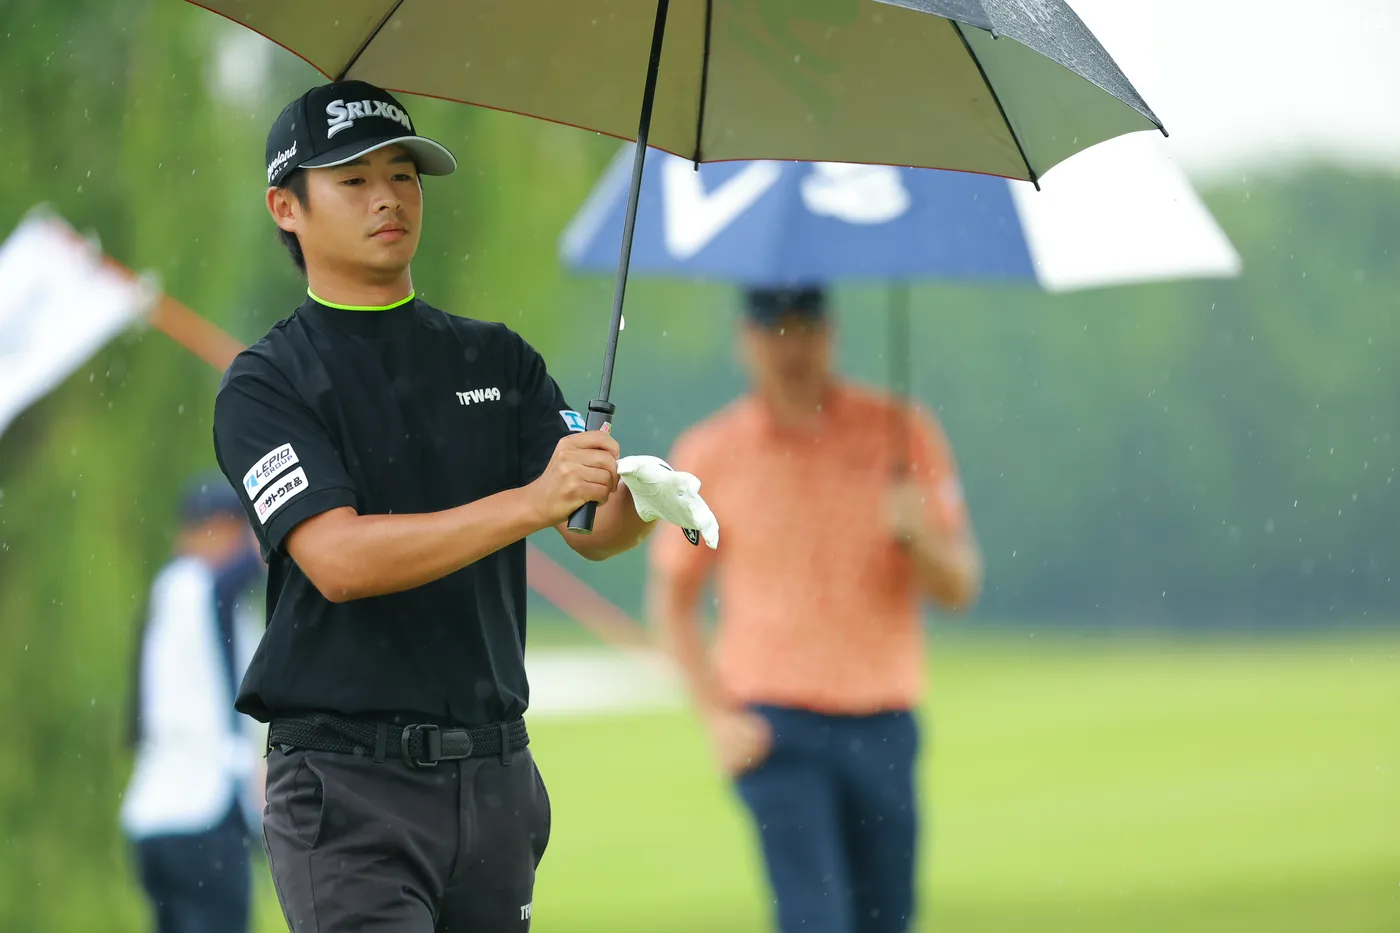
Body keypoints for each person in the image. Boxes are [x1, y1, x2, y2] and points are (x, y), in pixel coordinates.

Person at [212, 79, 699, 932]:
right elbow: (339, 560)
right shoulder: (267, 383)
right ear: (286, 207)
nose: (388, 198)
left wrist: (635, 495)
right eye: (354, 180)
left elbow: (587, 529)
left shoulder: (496, 359)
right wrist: (532, 501)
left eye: (403, 175)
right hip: (347, 788)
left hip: (495, 779)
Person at [647, 285, 984, 933]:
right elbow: (673, 599)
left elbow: (959, 587)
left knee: (885, 917)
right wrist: (716, 716)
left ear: (831, 333)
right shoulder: (712, 452)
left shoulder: (901, 431)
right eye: (773, 330)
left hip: (883, 720)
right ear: (745, 341)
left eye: (805, 328)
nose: (791, 347)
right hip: (775, 724)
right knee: (815, 918)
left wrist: (921, 538)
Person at [121, 471, 266, 933]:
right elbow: (241, 572)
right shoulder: (188, 586)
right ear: (206, 530)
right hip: (200, 815)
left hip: (166, 819)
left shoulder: (191, 600)